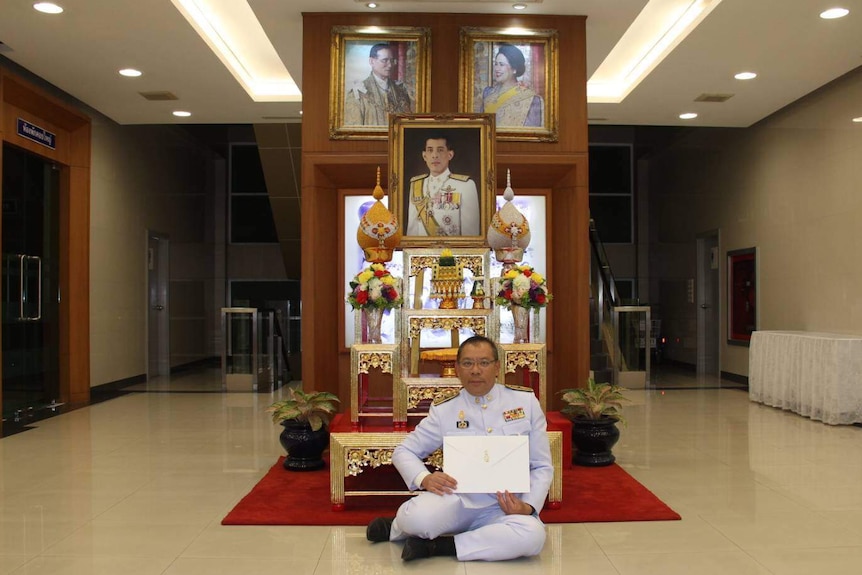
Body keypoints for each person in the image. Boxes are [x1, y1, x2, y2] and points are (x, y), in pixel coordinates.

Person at [366, 335, 553, 562]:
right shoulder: (446, 409)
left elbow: (541, 465)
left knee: (532, 536)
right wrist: (424, 478)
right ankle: (397, 527)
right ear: (457, 369)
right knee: (415, 517)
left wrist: (528, 507)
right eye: (467, 363)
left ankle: (440, 546)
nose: (475, 370)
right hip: (458, 500)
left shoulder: (524, 402)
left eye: (484, 363)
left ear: (497, 367)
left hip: (506, 505)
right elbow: (403, 451)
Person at [405, 135, 480, 237]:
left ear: (450, 155)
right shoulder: (416, 185)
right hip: (422, 252)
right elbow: (412, 232)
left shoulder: (465, 185)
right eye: (430, 150)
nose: (435, 155)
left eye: (440, 150)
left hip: (453, 252)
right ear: (424, 156)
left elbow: (471, 236)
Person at [343, 43, 413, 127]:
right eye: (384, 60)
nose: (390, 65)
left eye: (392, 60)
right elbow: (353, 131)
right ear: (372, 61)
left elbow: (408, 124)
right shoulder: (358, 93)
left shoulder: (401, 90)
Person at [477, 43, 543, 128]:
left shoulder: (530, 99)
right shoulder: (488, 93)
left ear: (514, 69)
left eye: (501, 64)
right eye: (496, 64)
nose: (497, 68)